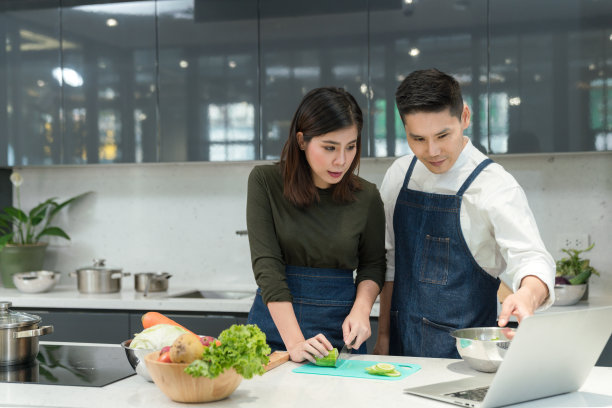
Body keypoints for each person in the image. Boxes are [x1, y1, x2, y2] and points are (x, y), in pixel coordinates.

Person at [374, 68, 555, 358]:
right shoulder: (400, 174)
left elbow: (533, 257)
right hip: (399, 353)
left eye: (443, 135)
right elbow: (389, 262)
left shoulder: (494, 186)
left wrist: (527, 294)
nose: (432, 150)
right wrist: (382, 335)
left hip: (466, 359)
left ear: (465, 117)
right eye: (418, 139)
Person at [246, 87, 386, 363]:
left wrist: (361, 310)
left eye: (351, 146)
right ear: (301, 140)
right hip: (276, 333)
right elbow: (268, 268)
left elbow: (373, 264)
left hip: (340, 335)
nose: (342, 160)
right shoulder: (265, 182)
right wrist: (295, 343)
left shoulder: (366, 195)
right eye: (330, 147)